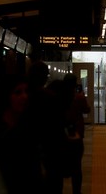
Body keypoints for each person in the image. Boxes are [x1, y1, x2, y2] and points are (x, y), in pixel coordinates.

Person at [0, 74, 44, 194]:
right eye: (18, 92)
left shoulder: (27, 125)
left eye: (26, 91)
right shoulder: (2, 131)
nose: (24, 96)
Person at [27, 61, 65, 194]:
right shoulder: (51, 99)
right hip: (50, 152)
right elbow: (58, 130)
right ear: (45, 77)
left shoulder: (23, 97)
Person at [61, 73, 91, 194]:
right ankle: (76, 192)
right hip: (76, 135)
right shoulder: (79, 97)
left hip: (62, 135)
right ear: (75, 84)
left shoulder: (58, 96)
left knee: (60, 166)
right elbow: (87, 110)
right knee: (76, 167)